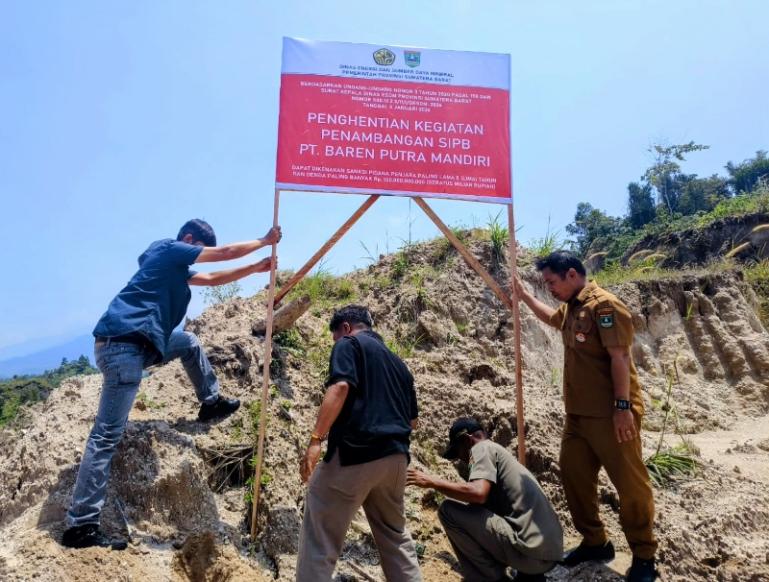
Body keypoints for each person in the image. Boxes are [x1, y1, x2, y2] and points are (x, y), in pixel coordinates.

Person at [61, 219, 282, 550]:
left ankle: (211, 402)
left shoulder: (173, 269)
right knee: (106, 435)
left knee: (188, 341)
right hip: (123, 348)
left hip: (137, 345)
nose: (196, 257)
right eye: (196, 250)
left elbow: (213, 277)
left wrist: (254, 269)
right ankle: (80, 525)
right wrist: (265, 240)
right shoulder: (168, 248)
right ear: (190, 240)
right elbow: (222, 254)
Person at [513, 251, 657, 582]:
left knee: (630, 486)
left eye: (552, 282)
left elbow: (619, 358)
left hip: (611, 415)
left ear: (573, 274)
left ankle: (644, 554)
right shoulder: (574, 307)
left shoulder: (605, 306)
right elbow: (553, 318)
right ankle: (595, 541)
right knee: (573, 475)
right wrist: (523, 298)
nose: (549, 288)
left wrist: (623, 409)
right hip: (578, 416)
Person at [297, 305, 422, 581]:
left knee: (321, 532)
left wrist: (316, 439)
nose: (336, 343)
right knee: (396, 539)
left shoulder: (348, 344)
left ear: (345, 327)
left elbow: (340, 387)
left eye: (335, 337)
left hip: (357, 452)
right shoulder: (399, 364)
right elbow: (413, 422)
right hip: (397, 460)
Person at [407, 417, 563, 582]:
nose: (461, 459)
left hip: (531, 552)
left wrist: (432, 481)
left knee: (448, 511)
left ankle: (492, 578)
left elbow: (478, 493)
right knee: (475, 510)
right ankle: (528, 576)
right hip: (550, 552)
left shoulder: (481, 448)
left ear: (467, 440)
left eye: (458, 452)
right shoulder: (499, 453)